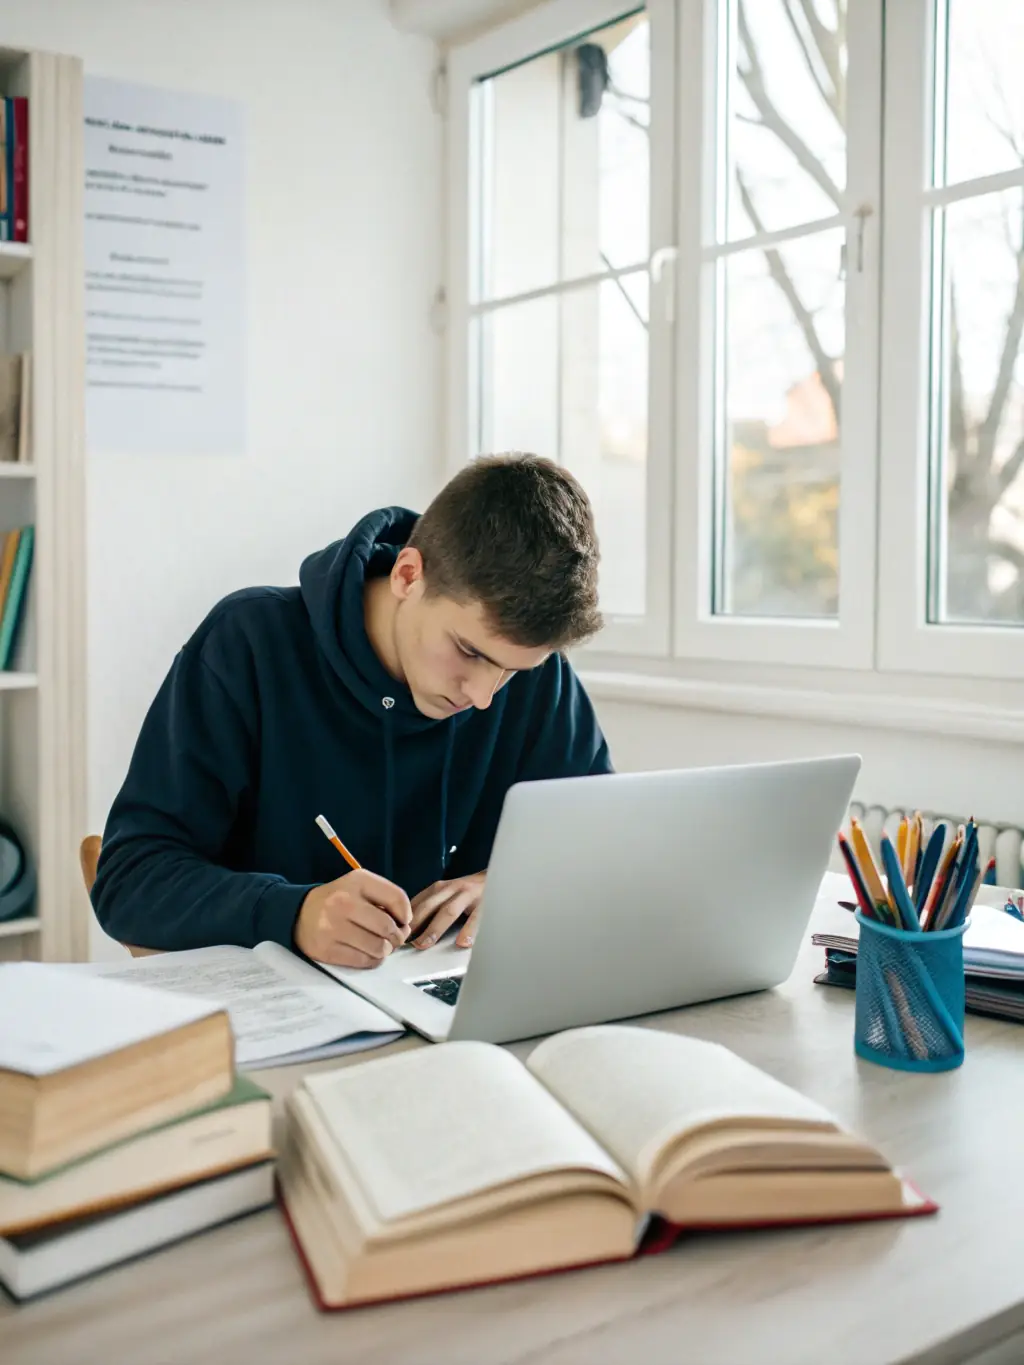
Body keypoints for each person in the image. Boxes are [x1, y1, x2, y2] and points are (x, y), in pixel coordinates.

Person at [92, 453, 612, 968]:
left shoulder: (535, 675)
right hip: (284, 1021)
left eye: (512, 671)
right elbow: (130, 880)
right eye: (469, 651)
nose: (483, 696)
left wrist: (509, 886)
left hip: (451, 1008)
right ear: (409, 576)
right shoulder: (248, 644)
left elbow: (602, 845)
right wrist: (290, 912)